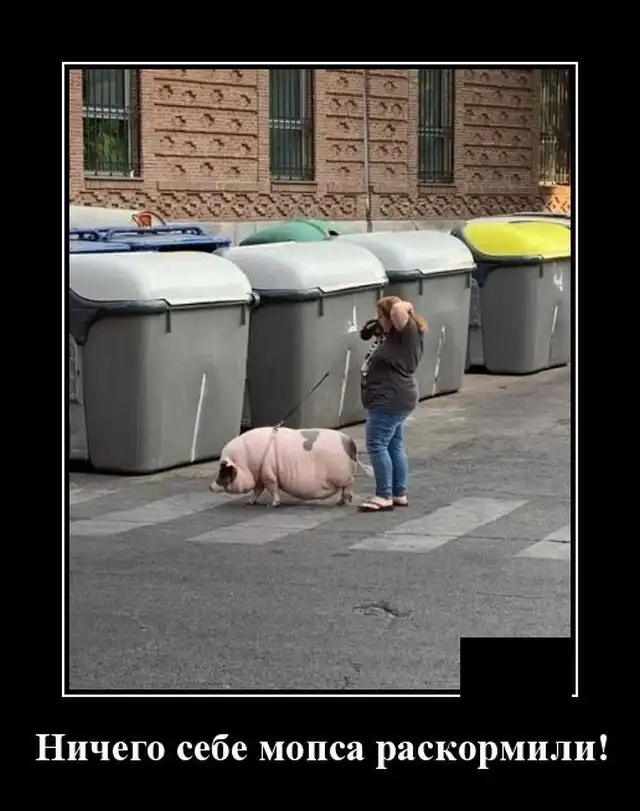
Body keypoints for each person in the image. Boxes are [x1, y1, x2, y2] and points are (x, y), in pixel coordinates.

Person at [358, 295, 427, 513]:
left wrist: (401, 305)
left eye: (381, 316)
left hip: (389, 398)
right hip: (394, 396)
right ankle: (398, 493)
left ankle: (383, 495)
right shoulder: (396, 337)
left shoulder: (406, 333)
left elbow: (397, 309)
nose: (379, 321)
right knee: (393, 444)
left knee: (376, 444)